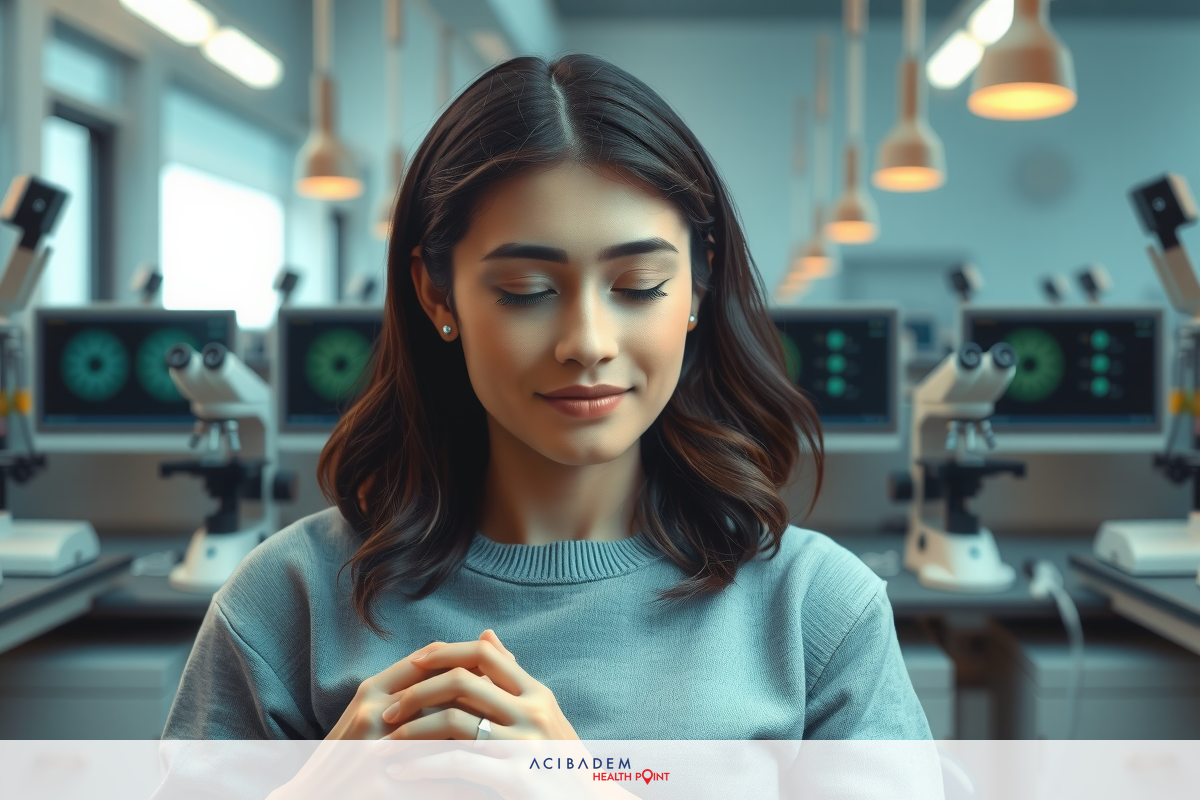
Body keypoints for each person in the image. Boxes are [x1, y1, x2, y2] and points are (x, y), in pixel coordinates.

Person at [162, 53, 932, 744]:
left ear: (697, 286)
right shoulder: (285, 604)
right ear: (438, 294)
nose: (588, 342)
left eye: (639, 286)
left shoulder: (816, 612)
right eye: (527, 290)